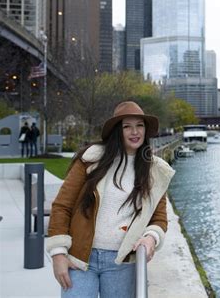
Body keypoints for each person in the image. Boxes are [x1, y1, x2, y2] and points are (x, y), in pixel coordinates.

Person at [46, 101, 175, 297]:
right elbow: (62, 206)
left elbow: (159, 218)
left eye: (139, 125)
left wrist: (151, 238)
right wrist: (58, 253)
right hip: (80, 258)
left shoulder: (155, 171)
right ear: (117, 130)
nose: (135, 132)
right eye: (127, 126)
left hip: (122, 263)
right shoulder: (91, 160)